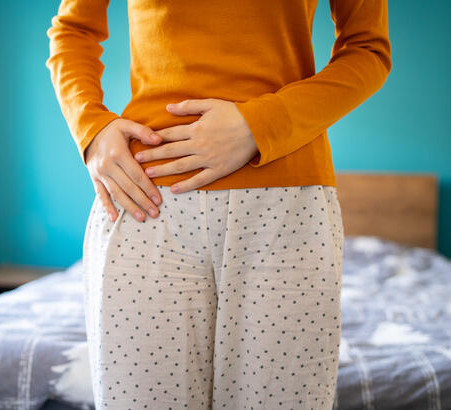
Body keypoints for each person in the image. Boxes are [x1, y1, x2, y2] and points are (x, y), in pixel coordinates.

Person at [45, 0, 392, 408]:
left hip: (287, 212)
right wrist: (92, 129)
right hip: (148, 201)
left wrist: (260, 124)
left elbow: (368, 50)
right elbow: (72, 31)